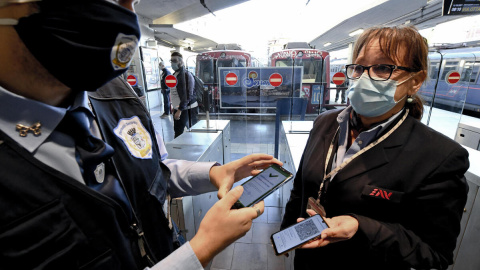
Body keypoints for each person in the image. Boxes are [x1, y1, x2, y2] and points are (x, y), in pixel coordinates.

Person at [0, 1, 282, 269]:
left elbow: (152, 171)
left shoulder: (118, 95)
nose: (126, 17)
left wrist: (214, 174)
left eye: (131, 3)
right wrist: (202, 249)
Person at [281, 25, 469, 270]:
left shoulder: (440, 156)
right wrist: (288, 233)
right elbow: (302, 187)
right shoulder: (325, 123)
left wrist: (360, 227)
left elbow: (433, 253)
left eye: (383, 68)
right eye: (359, 67)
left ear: (416, 81)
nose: (364, 78)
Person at [170, 51, 198, 138]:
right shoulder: (175, 75)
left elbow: (187, 95)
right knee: (178, 131)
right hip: (179, 108)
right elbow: (174, 92)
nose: (172, 63)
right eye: (171, 61)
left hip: (187, 108)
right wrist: (174, 106)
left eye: (174, 60)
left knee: (191, 131)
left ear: (181, 62)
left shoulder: (186, 75)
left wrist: (179, 110)